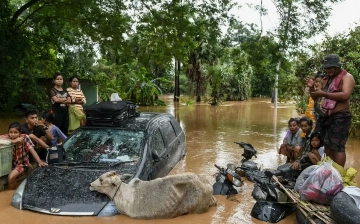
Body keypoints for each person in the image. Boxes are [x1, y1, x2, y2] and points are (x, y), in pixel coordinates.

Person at [305, 54, 355, 167]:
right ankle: (329, 171)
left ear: (337, 67)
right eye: (326, 68)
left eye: (330, 68)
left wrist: (324, 94)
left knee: (338, 147)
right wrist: (312, 87)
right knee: (327, 144)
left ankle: (339, 174)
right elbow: (315, 97)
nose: (327, 70)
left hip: (340, 116)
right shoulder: (326, 79)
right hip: (326, 116)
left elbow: (345, 95)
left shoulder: (347, 77)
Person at [4, 122, 47, 190]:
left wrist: (39, 161)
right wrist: (13, 141)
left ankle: (12, 195)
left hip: (22, 164)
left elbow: (31, 150)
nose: (13, 134)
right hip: (10, 164)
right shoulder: (7, 137)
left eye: (16, 132)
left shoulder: (25, 137)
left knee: (11, 177)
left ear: (20, 133)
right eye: (11, 132)